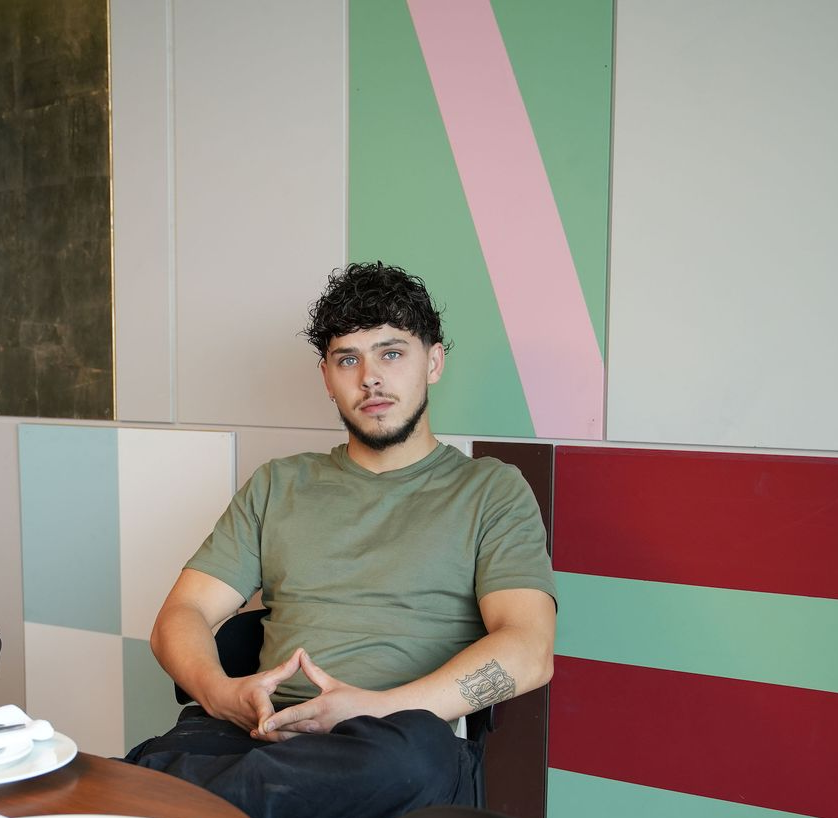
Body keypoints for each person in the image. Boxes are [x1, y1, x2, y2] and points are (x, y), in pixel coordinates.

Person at [123, 262, 557, 818]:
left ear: (435, 361)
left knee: (412, 759)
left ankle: (173, 792)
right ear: (326, 377)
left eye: (392, 353)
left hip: (390, 742)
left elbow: (529, 648)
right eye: (347, 359)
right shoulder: (280, 483)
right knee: (188, 750)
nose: (369, 378)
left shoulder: (490, 489)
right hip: (261, 732)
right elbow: (179, 614)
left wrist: (375, 709)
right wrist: (220, 693)